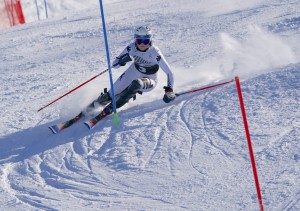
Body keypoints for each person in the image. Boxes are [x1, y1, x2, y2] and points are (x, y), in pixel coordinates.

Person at [84, 26, 176, 127]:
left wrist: (169, 90)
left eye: (145, 41)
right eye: (139, 41)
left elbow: (169, 72)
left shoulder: (154, 52)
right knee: (111, 94)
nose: (141, 44)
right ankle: (92, 107)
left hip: (150, 78)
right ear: (135, 39)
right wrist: (120, 61)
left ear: (150, 40)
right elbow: (115, 63)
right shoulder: (131, 47)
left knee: (137, 83)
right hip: (134, 71)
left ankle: (110, 108)